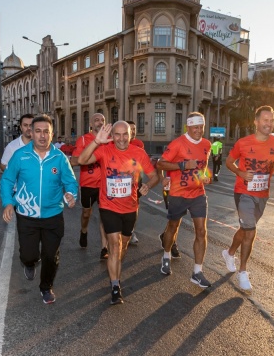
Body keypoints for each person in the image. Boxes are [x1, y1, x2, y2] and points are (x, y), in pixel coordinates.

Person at [76, 121, 158, 305]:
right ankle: (115, 286)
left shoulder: (139, 153)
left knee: (123, 247)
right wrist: (97, 141)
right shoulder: (105, 150)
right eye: (117, 135)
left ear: (130, 135)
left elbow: (154, 176)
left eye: (125, 134)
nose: (121, 139)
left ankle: (115, 268)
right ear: (112, 136)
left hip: (130, 208)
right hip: (108, 206)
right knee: (114, 245)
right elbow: (81, 160)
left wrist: (147, 185)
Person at [0, 114, 78, 304]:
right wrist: (8, 202)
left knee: (51, 256)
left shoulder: (59, 158)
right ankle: (29, 262)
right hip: (27, 215)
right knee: (29, 254)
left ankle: (46, 287)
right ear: (31, 133)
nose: (42, 136)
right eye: (38, 131)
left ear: (52, 134)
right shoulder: (20, 155)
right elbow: (7, 180)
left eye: (46, 132)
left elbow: (70, 181)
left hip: (53, 215)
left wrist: (71, 194)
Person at [222, 106, 274, 292]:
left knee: (245, 229)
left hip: (262, 194)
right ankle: (243, 272)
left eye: (271, 120)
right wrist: (240, 172)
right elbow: (229, 162)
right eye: (265, 120)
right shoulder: (243, 143)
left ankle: (229, 253)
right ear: (256, 122)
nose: (269, 123)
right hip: (243, 192)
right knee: (250, 231)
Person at [157, 112, 213, 288]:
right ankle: (166, 255)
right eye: (195, 127)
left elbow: (203, 166)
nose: (198, 130)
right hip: (178, 193)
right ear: (188, 127)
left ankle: (197, 272)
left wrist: (206, 177)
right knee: (173, 227)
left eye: (201, 127)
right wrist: (182, 165)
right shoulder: (177, 144)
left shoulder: (207, 144)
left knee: (201, 232)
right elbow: (160, 163)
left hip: (198, 193)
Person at [70, 113, 109, 259]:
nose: (100, 122)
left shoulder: (109, 140)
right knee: (86, 213)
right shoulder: (83, 139)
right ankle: (84, 230)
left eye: (102, 120)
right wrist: (88, 156)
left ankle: (104, 248)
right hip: (87, 184)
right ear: (91, 124)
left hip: (104, 185)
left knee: (104, 216)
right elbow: (74, 161)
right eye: (96, 120)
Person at [127, 120, 144, 244]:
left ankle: (132, 231)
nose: (133, 131)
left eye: (134, 129)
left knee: (135, 205)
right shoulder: (118, 143)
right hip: (121, 179)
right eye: (130, 129)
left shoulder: (139, 143)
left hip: (136, 179)